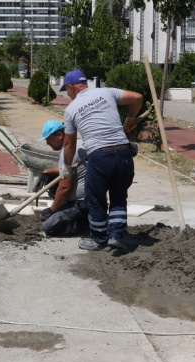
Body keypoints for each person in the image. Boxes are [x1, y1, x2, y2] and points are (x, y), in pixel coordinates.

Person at [59, 69, 143, 251]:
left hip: (100, 156)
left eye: (66, 90)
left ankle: (99, 239)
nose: (67, 95)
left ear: (72, 87)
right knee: (119, 195)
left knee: (95, 198)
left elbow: (68, 144)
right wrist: (130, 119)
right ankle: (116, 235)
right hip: (123, 152)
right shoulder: (106, 92)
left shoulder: (71, 109)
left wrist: (66, 167)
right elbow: (137, 97)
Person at [37, 120, 89, 236]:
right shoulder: (76, 144)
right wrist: (46, 172)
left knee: (50, 227)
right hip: (88, 200)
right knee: (51, 178)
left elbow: (65, 187)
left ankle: (89, 223)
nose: (47, 143)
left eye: (49, 139)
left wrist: (52, 210)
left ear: (59, 135)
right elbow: (64, 169)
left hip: (83, 204)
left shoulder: (69, 151)